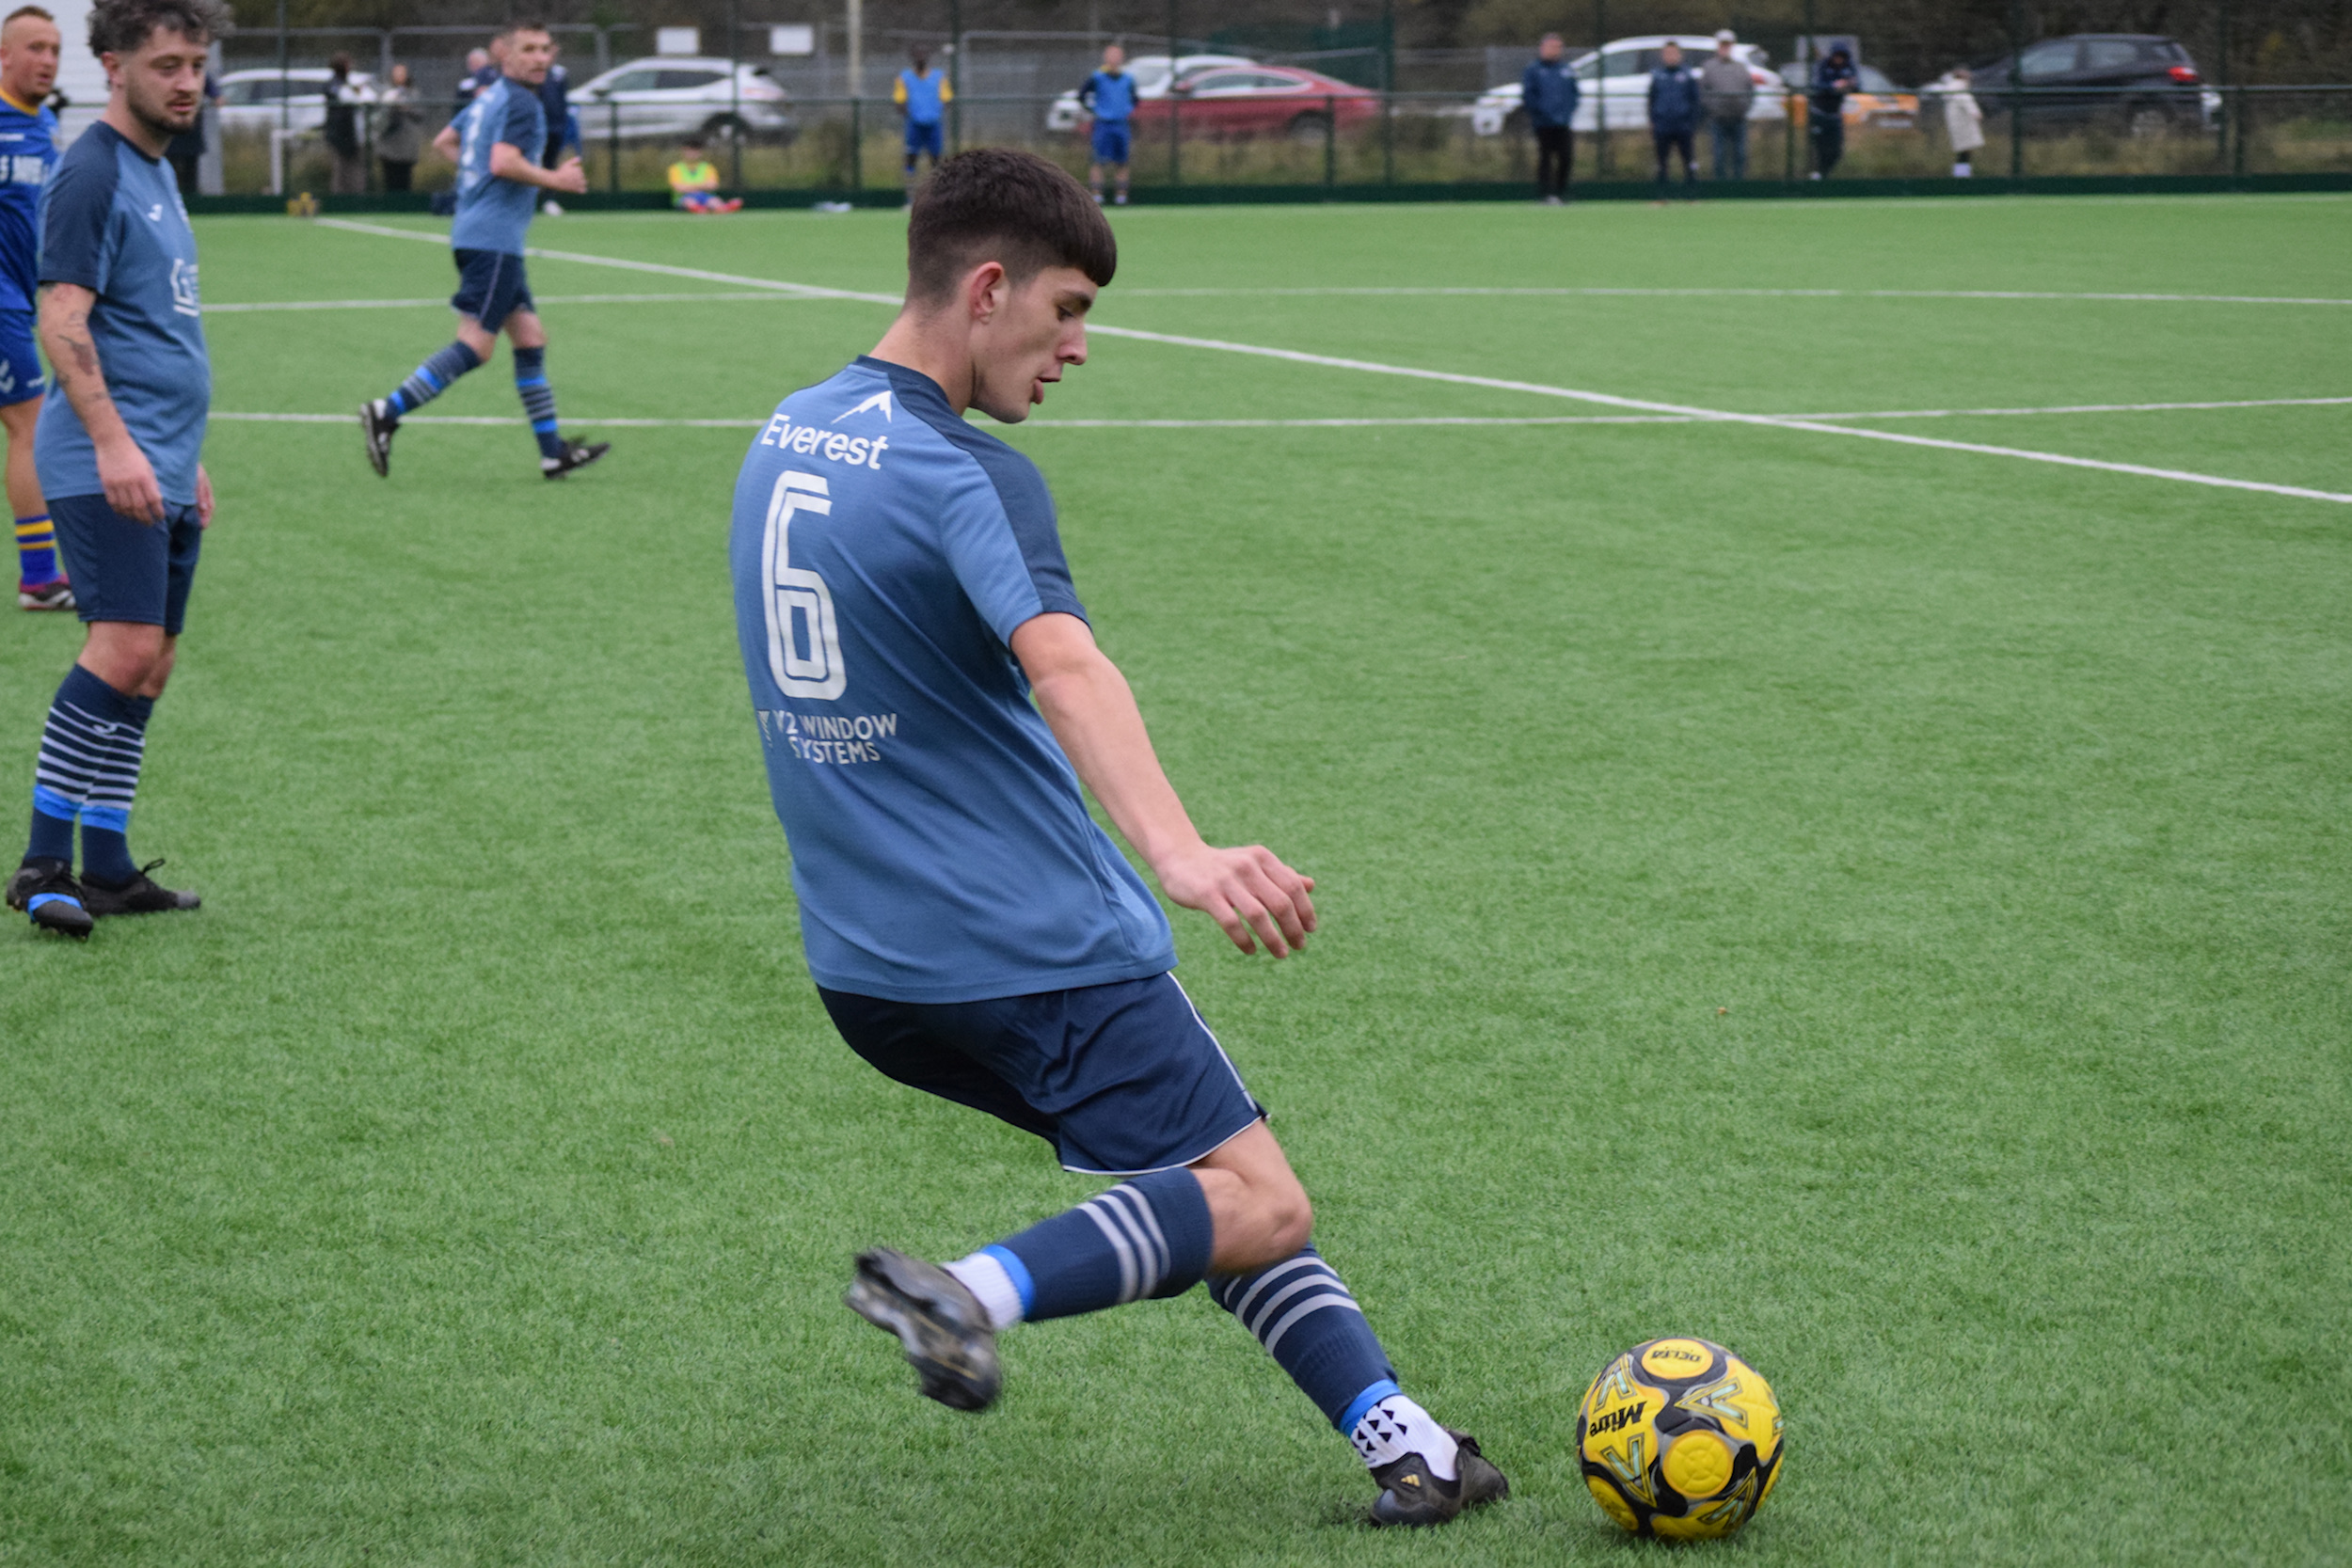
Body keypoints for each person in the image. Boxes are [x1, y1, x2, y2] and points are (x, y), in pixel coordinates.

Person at [727, 148, 1511, 1528]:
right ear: (987, 288)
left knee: (1209, 1179)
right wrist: (1184, 852)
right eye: (1068, 308)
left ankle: (1410, 1445)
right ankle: (970, 1291)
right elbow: (1067, 664)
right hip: (1035, 945)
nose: (1080, 344)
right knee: (1254, 1197)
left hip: (870, 972)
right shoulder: (970, 470)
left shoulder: (788, 431)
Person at [6, 0, 225, 939]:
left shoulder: (156, 167)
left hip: (162, 458)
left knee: (153, 666)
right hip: (108, 458)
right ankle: (41, 863)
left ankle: (106, 864)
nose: (187, 82)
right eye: (167, 64)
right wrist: (113, 440)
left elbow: (156, 325)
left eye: (196, 64)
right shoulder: (91, 168)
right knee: (122, 649)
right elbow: (63, 319)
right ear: (114, 67)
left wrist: (187, 455)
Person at [359, 20, 603, 483]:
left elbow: (445, 143)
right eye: (528, 49)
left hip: (483, 236)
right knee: (477, 345)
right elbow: (503, 161)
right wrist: (558, 181)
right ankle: (386, 411)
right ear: (505, 56)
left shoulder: (487, 97)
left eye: (545, 49)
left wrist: (477, 182)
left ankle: (553, 454)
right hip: (492, 242)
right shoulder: (521, 103)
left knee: (530, 338)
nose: (539, 58)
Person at [0, 5, 64, 612]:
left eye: (54, 49)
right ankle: (39, 577)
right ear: (3, 56)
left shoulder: (45, 124)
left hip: (22, 300)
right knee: (30, 423)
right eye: (35, 48)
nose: (47, 59)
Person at [1075, 42, 1136, 206]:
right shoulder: (1097, 77)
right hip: (1103, 124)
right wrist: (1094, 110)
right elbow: (1081, 96)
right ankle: (1097, 196)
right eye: (1111, 55)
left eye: (1117, 55)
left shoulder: (1128, 79)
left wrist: (1125, 110)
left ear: (1122, 58)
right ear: (1106, 57)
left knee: (1122, 162)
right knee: (1098, 161)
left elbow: (1135, 99)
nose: (1114, 58)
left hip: (1121, 124)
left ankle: (1121, 197)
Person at [1520, 32, 1577, 205]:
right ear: (1542, 48)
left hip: (1563, 122)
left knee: (1566, 157)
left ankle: (1561, 193)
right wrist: (1539, 113)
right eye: (1552, 47)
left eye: (1558, 47)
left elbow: (1574, 94)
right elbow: (1528, 95)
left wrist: (1567, 113)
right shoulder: (1533, 70)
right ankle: (1545, 194)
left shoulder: (1567, 70)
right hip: (1543, 122)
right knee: (1545, 158)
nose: (1555, 50)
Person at [1646, 40, 1699, 198]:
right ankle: (1662, 196)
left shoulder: (1688, 75)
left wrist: (1692, 122)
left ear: (1679, 55)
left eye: (1673, 53)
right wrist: (1653, 120)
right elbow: (1651, 100)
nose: (1670, 56)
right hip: (1662, 126)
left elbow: (1695, 101)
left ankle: (1691, 195)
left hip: (1683, 125)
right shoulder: (1657, 75)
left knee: (1688, 161)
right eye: (1667, 53)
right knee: (1661, 163)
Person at [892, 46, 949, 191]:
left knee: (936, 160)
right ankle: (910, 196)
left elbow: (947, 100)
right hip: (914, 125)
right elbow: (899, 101)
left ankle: (938, 193)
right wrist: (912, 115)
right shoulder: (904, 78)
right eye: (917, 56)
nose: (921, 59)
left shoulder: (939, 77)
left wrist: (933, 112)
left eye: (923, 56)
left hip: (933, 124)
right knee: (911, 159)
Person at [1698, 29, 1753, 180]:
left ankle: (1738, 187)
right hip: (1718, 120)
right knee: (1719, 156)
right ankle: (1720, 189)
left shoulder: (1741, 67)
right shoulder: (1709, 67)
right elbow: (1703, 92)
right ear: (1718, 46)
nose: (1725, 48)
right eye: (1722, 45)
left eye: (1728, 45)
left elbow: (1750, 90)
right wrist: (1712, 108)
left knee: (1740, 155)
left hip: (1738, 119)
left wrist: (1744, 107)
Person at [158, 59, 211, 198]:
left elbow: (215, 93)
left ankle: (192, 197)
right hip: (170, 137)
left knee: (190, 167)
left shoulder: (201, 77)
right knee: (170, 166)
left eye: (197, 65)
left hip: (191, 135)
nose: (188, 88)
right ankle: (170, 195)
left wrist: (217, 96)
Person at [533, 39, 572, 215]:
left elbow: (563, 100)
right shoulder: (535, 73)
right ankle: (529, 200)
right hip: (538, 128)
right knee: (533, 163)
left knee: (551, 163)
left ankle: (549, 200)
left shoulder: (560, 73)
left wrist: (564, 123)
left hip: (556, 127)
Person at [1809, 45, 1856, 179]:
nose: (1839, 59)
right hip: (1819, 113)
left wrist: (1850, 85)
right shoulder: (1822, 66)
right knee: (1819, 148)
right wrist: (1833, 86)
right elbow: (1816, 85)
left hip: (1835, 115)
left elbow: (1857, 85)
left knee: (1836, 151)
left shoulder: (1848, 67)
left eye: (1842, 57)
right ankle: (1815, 175)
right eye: (1837, 56)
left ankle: (1823, 175)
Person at [322, 51, 365, 196]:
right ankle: (339, 200)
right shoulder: (333, 84)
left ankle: (356, 198)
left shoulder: (347, 83)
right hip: (339, 135)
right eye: (348, 64)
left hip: (351, 134)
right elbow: (342, 98)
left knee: (354, 169)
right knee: (340, 169)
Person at [374, 61, 421, 191]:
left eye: (402, 73)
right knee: (390, 180)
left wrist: (406, 108)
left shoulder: (413, 93)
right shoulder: (386, 93)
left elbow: (420, 114)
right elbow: (379, 119)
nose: (399, 76)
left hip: (406, 146)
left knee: (404, 180)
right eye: (397, 73)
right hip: (389, 146)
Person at [666, 134, 739, 213]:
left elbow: (713, 185)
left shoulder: (708, 167)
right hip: (683, 199)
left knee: (714, 201)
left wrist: (689, 186)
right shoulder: (675, 168)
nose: (693, 153)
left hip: (705, 197)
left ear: (700, 152)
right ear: (683, 151)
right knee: (689, 201)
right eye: (690, 150)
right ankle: (699, 209)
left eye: (695, 150)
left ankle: (722, 208)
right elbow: (679, 188)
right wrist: (702, 185)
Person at [1943, 66, 1983, 177]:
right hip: (1964, 124)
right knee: (1965, 149)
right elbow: (1965, 100)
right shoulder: (1959, 88)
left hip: (1957, 124)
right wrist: (1975, 113)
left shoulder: (1950, 88)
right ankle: (1962, 174)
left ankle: (1962, 172)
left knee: (1963, 150)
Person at [452, 45, 491, 114]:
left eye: (477, 61)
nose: (473, 64)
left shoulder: (493, 76)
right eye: (471, 62)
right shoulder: (466, 80)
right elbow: (460, 98)